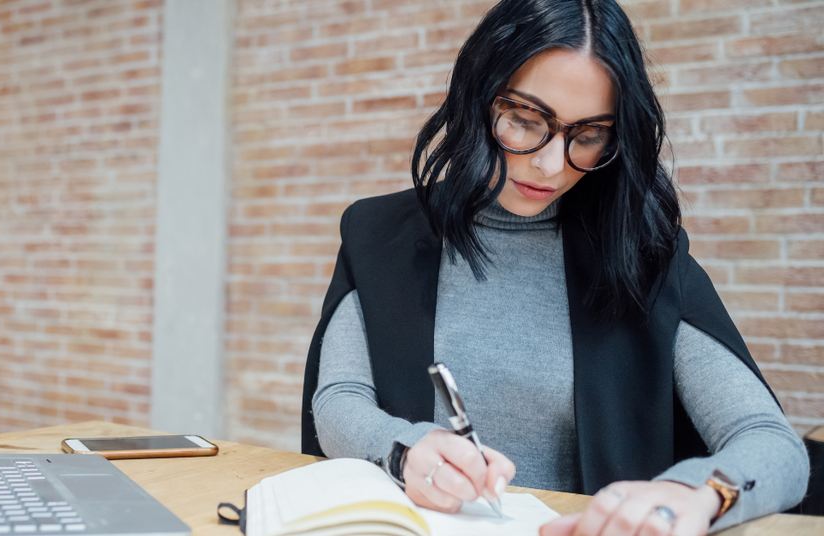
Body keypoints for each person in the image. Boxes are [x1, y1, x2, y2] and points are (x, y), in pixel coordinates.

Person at [301, 1, 809, 535]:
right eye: (524, 121)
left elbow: (773, 445)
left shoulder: (641, 253)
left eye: (588, 136)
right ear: (477, 98)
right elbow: (339, 399)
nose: (551, 164)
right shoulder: (380, 233)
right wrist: (401, 451)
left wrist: (693, 493)